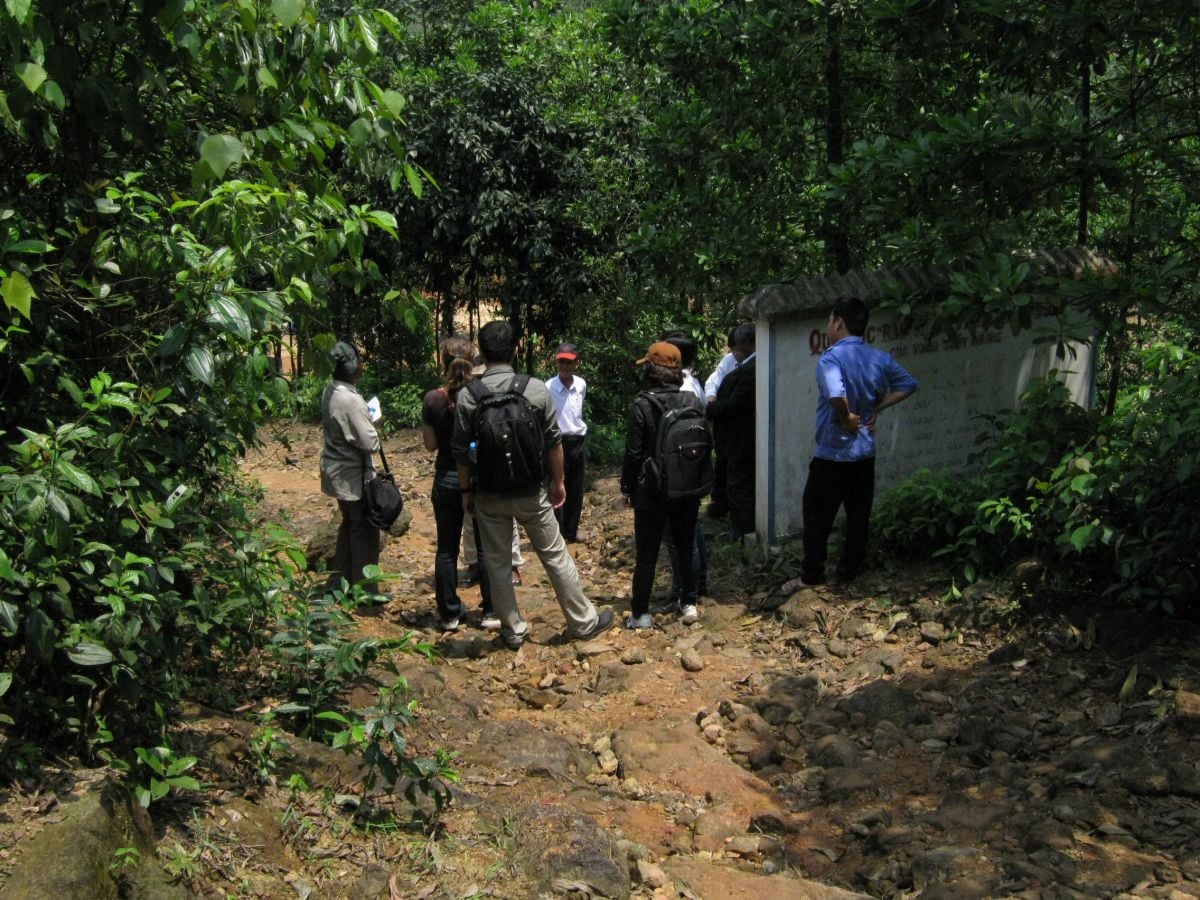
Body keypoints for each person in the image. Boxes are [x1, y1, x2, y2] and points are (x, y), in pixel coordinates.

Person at [452, 321, 614, 649]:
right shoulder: (535, 389)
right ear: (516, 348)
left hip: (490, 494)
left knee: (497, 561)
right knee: (555, 555)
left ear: (481, 352)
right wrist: (559, 482)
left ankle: (512, 631)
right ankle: (583, 622)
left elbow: (460, 452)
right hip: (531, 491)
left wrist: (467, 493)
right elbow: (554, 443)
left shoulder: (470, 395)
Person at [796, 298, 918, 585]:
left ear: (838, 322)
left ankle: (812, 576)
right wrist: (876, 408)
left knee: (817, 518)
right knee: (858, 516)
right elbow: (908, 384)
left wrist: (845, 416)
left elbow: (836, 393)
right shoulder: (878, 357)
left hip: (832, 455)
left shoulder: (832, 357)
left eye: (829, 321)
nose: (828, 326)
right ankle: (849, 573)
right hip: (864, 453)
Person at [619, 341, 702, 629]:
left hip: (651, 489)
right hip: (685, 485)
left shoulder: (643, 405)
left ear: (652, 370)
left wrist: (626, 488)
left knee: (647, 552)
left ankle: (641, 613)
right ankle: (689, 603)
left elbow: (633, 453)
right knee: (686, 544)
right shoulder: (692, 400)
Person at [422, 335, 496, 631]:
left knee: (446, 549)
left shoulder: (433, 399)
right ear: (474, 358)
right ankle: (491, 610)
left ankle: (450, 613)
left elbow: (430, 445)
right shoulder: (483, 393)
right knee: (487, 547)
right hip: (480, 478)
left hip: (446, 479)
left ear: (443, 361)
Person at [320, 340, 381, 589]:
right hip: (352, 477)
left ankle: (338, 582)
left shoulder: (330, 390)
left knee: (349, 527)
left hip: (337, 472)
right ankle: (365, 591)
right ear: (355, 367)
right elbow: (370, 443)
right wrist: (373, 422)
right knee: (365, 533)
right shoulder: (351, 400)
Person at [658, 329, 709, 613]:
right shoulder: (693, 384)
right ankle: (697, 584)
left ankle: (684, 592)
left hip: (681, 468)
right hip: (690, 465)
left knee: (680, 537)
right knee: (692, 529)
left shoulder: (683, 390)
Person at [706, 323, 757, 540]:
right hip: (734, 437)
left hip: (741, 436)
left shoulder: (751, 369)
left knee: (739, 485)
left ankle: (742, 530)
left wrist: (710, 409)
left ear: (746, 343)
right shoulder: (742, 364)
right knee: (734, 482)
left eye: (736, 343)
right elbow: (714, 381)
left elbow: (736, 403)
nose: (734, 348)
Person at [545, 341, 588, 543]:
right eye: (561, 362)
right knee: (556, 486)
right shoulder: (548, 387)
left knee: (576, 488)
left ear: (576, 363)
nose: (565, 366)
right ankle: (557, 535)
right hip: (557, 443)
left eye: (569, 362)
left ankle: (571, 531)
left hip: (578, 441)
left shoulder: (581, 385)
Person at [703, 327, 739, 518]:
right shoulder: (729, 361)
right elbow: (712, 382)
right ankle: (720, 503)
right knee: (723, 462)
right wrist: (711, 399)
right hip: (725, 422)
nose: (735, 352)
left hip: (741, 422)